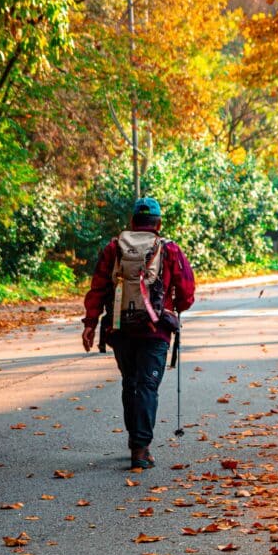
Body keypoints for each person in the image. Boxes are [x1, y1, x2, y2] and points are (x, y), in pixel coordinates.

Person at [81, 197, 195, 469]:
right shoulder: (169, 249)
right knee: (146, 386)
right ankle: (141, 449)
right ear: (158, 223)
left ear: (132, 222)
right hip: (155, 330)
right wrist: (173, 307)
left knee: (130, 382)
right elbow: (187, 291)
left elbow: (98, 287)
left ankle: (136, 441)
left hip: (120, 329)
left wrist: (90, 323)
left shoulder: (113, 248)